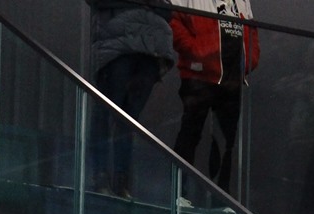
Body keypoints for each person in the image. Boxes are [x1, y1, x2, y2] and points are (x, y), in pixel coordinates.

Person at [170, 0, 259, 196]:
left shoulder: (242, 1)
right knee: (191, 134)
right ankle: (179, 193)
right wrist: (195, 50)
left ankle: (221, 197)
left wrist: (249, 61)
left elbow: (252, 31)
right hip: (199, 76)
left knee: (226, 141)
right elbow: (172, 18)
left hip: (232, 80)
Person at [88, 0, 176, 197]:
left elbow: (169, 10)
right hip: (123, 48)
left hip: (148, 50)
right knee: (110, 116)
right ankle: (105, 178)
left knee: (126, 121)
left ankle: (118, 181)